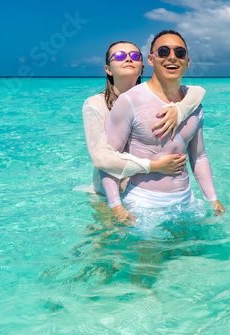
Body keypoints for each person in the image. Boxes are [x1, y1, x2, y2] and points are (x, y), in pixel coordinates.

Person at [102, 29, 225, 222]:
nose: (172, 57)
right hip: (144, 204)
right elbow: (109, 160)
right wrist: (117, 207)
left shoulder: (194, 106)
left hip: (186, 201)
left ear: (187, 62)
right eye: (164, 52)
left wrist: (213, 200)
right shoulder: (130, 101)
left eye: (180, 53)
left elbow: (199, 157)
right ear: (151, 60)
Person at [82, 40, 206, 211]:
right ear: (108, 69)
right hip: (107, 194)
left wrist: (181, 110)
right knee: (103, 237)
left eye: (134, 56)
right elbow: (100, 158)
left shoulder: (152, 97)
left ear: (142, 67)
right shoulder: (95, 104)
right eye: (119, 56)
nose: (128, 59)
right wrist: (154, 166)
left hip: (141, 194)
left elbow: (197, 91)